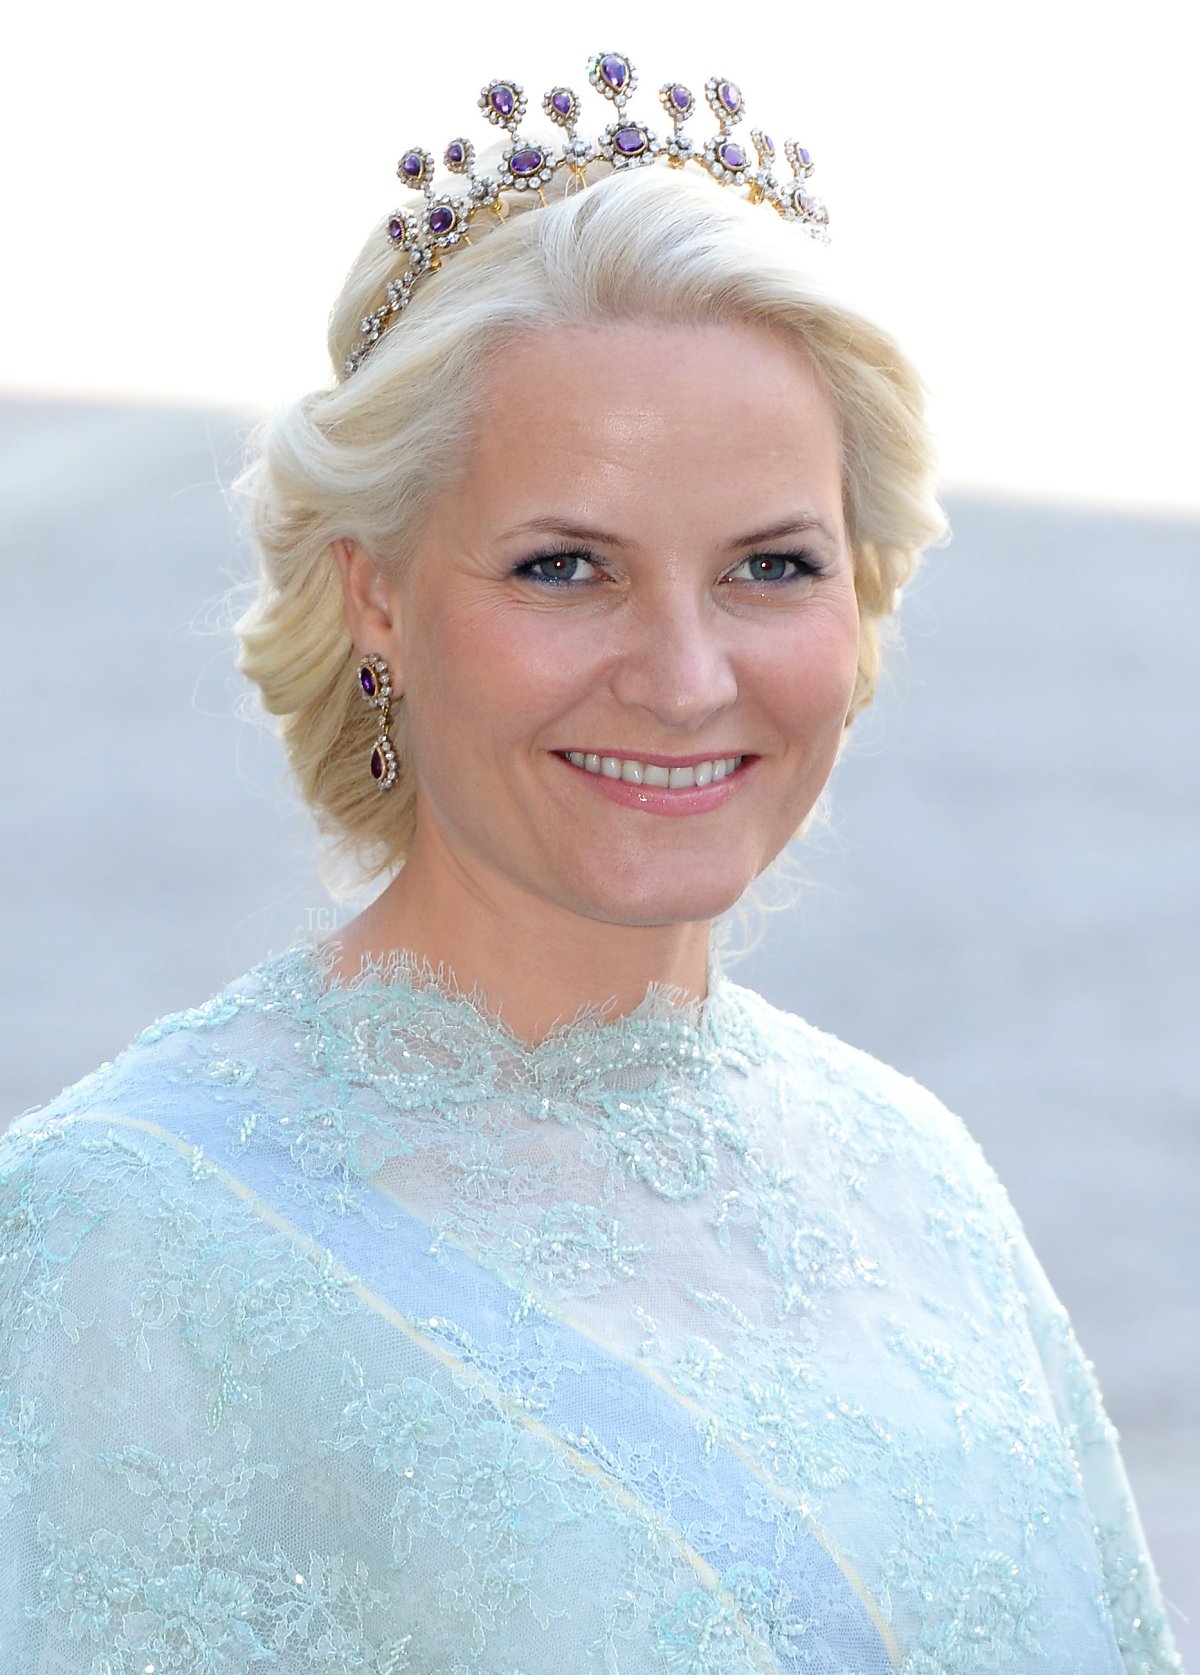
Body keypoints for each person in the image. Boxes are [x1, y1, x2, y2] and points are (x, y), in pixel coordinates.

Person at [0, 51, 1183, 1675]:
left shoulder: (919, 1178)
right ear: (378, 598)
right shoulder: (122, 1235)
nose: (688, 676)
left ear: (867, 595)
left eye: (772, 566)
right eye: (567, 568)